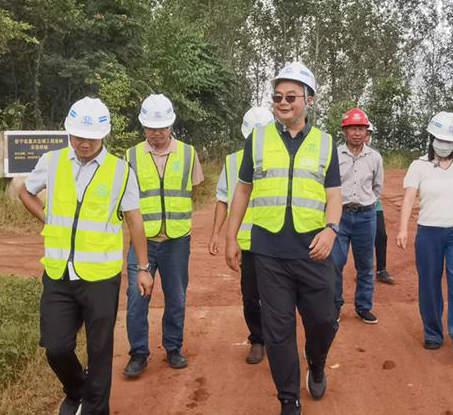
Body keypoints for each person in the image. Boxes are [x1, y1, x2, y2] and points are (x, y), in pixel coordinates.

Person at [19, 97, 153, 415]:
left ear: (103, 135)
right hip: (58, 273)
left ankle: (95, 409)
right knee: (56, 346)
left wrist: (143, 267)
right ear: (69, 132)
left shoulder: (121, 172)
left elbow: (134, 220)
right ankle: (77, 390)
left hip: (101, 278)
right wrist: (48, 219)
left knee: (100, 350)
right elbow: (26, 191)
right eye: (78, 136)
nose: (84, 143)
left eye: (91, 138)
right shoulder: (52, 162)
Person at [225, 61, 342, 415]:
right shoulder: (258, 139)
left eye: (291, 97)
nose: (283, 103)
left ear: (309, 100)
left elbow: (334, 194)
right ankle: (288, 400)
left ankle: (316, 363)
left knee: (323, 320)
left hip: (313, 251)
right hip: (269, 252)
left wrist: (331, 229)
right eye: (277, 97)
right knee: (278, 332)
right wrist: (231, 237)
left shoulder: (325, 143)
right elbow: (242, 190)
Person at [123, 94, 204, 378]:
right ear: (143, 126)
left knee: (176, 297)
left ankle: (173, 348)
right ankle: (138, 353)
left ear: (171, 125)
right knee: (136, 297)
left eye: (162, 127)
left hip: (177, 240)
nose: (156, 133)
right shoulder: (130, 156)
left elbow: (193, 188)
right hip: (142, 240)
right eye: (151, 127)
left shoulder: (188, 153)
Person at [396, 111, 453, 364]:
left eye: (449, 140)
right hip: (428, 232)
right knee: (429, 284)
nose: (444, 144)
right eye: (440, 139)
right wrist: (403, 229)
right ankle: (433, 332)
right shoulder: (418, 165)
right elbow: (409, 197)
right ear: (431, 138)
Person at [208, 106, 274, 365]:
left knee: (278, 294)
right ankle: (257, 339)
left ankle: (278, 338)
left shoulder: (281, 159)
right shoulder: (232, 162)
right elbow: (223, 199)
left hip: (276, 240)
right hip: (248, 244)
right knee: (250, 295)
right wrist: (218, 234)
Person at [330, 108, 384, 323]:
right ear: (344, 131)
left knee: (365, 264)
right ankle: (334, 305)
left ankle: (363, 306)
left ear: (366, 132)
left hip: (366, 216)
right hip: (339, 215)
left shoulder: (375, 157)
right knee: (335, 262)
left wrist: (364, 202)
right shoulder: (334, 155)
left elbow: (377, 187)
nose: (357, 133)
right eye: (353, 128)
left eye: (361, 128)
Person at [365, 122, 394, 284]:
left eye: (368, 133)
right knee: (363, 240)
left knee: (381, 236)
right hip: (354, 206)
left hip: (374, 204)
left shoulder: (375, 155)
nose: (366, 136)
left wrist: (371, 198)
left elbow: (378, 182)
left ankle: (381, 270)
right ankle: (364, 270)